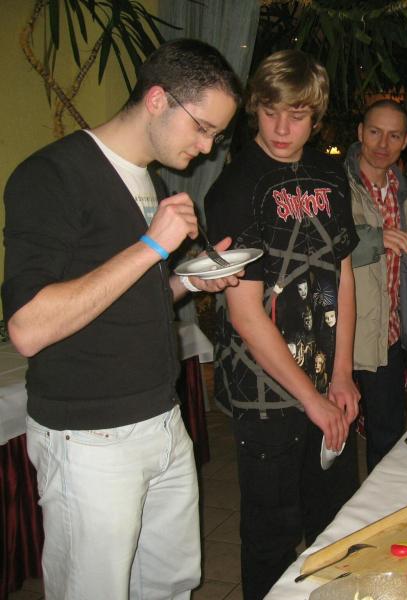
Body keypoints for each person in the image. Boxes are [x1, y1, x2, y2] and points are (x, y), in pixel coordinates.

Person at [1, 39, 243, 599]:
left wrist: (188, 281)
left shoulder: (149, 181)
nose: (207, 148)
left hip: (161, 421)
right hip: (89, 438)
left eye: (216, 135)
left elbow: (129, 297)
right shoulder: (51, 175)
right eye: (202, 128)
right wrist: (152, 246)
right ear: (157, 99)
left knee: (170, 585)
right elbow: (28, 328)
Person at [204, 49, 360, 599]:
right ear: (255, 108)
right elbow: (245, 313)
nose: (281, 129)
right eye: (270, 112)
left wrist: (341, 374)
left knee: (336, 523)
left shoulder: (329, 174)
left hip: (325, 379)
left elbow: (343, 275)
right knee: (271, 537)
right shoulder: (235, 187)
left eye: (297, 115)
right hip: (264, 391)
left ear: (316, 116)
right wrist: (309, 398)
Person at [346, 99, 407, 472]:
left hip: (386, 335)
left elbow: (405, 273)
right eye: (375, 132)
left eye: (394, 135)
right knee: (335, 441)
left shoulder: (405, 193)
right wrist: (376, 238)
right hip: (340, 336)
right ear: (361, 132)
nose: (382, 144)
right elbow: (320, 246)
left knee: (387, 438)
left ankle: (380, 506)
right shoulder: (333, 184)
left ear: (405, 141)